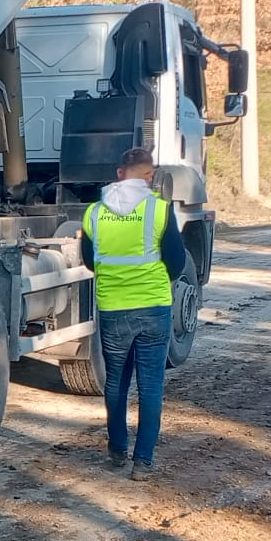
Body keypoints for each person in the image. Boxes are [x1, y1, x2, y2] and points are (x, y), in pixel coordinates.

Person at [80, 147, 188, 479]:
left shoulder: (94, 213)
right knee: (151, 386)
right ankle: (143, 461)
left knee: (116, 383)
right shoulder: (159, 210)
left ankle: (116, 450)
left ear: (119, 173)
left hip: (113, 308)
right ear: (149, 176)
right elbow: (177, 261)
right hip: (154, 307)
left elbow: (88, 260)